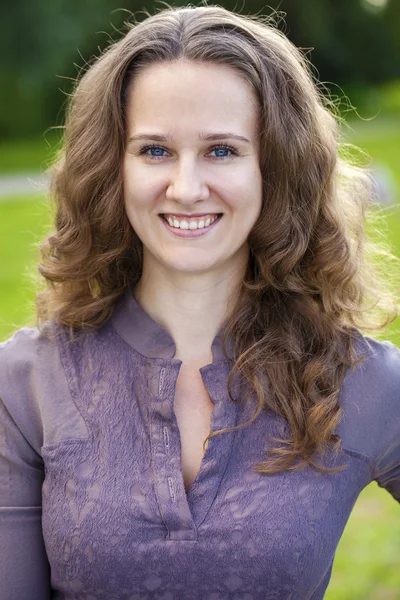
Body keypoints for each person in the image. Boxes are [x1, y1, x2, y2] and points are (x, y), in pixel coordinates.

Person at [0, 5, 399, 599]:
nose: (185, 189)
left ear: (276, 166)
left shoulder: (361, 382)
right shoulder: (25, 384)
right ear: (114, 167)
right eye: (155, 151)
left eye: (221, 151)